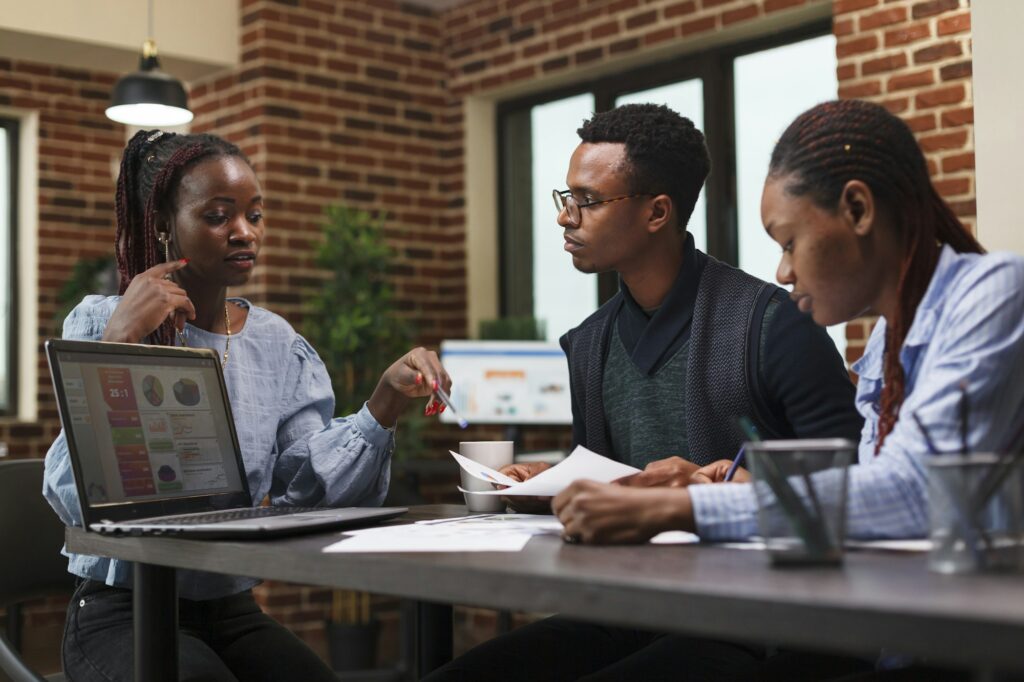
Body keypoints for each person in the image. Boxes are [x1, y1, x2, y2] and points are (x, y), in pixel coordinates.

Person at [552, 99, 1024, 677]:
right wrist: (748, 483)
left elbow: (909, 493)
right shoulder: (886, 347)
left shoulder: (995, 291)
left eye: (788, 242)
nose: (781, 272)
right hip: (899, 642)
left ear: (857, 208)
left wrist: (681, 506)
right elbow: (868, 494)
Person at [426, 104, 867, 680]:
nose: (566, 218)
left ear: (658, 212)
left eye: (587, 201)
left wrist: (711, 483)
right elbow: (616, 478)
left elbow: (854, 489)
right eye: (566, 197)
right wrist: (557, 482)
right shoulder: (587, 343)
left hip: (759, 620)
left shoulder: (775, 325)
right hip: (626, 607)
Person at [43, 130, 451, 682]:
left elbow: (307, 494)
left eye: (254, 215)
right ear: (164, 225)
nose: (244, 232)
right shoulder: (101, 321)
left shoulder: (277, 344)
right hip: (122, 608)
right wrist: (120, 344)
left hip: (230, 610)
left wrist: (382, 404)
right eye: (218, 216)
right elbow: (70, 493)